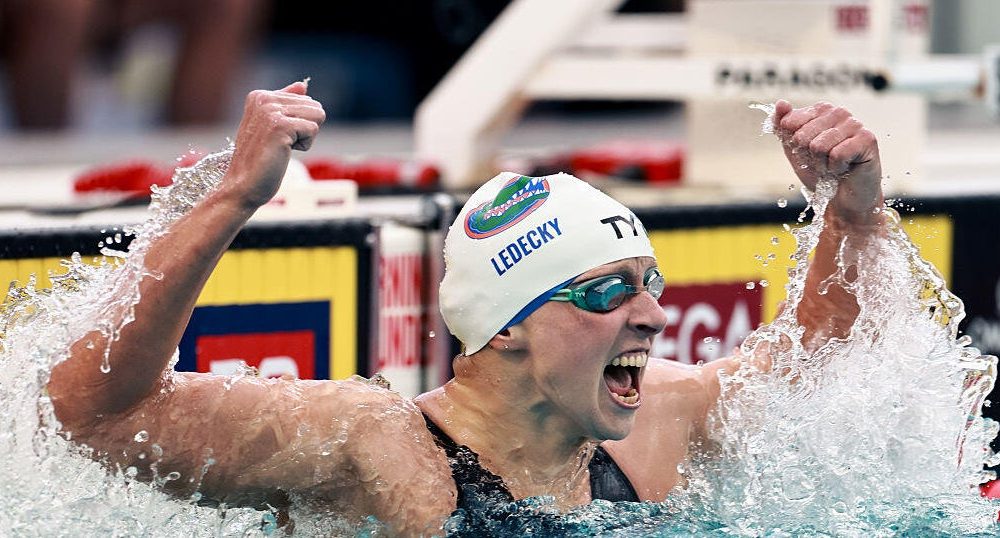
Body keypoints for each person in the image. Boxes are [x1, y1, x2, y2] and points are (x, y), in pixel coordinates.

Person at [48, 82, 883, 535]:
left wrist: (848, 210)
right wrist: (231, 199)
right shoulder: (372, 445)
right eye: (606, 290)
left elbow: (807, 363)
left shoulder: (659, 419)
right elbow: (96, 414)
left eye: (650, 284)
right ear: (507, 323)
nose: (652, 317)